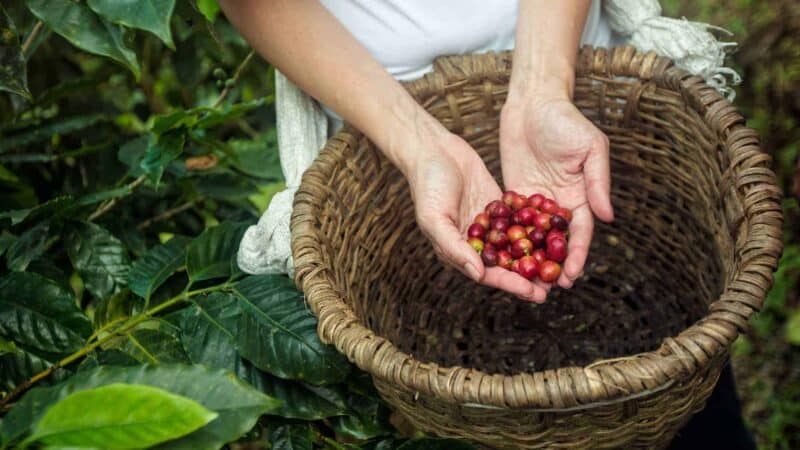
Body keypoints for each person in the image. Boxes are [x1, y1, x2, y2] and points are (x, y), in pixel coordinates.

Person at [219, 1, 755, 448]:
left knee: (679, 351)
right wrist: (416, 142)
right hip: (373, 104)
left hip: (568, 51)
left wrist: (543, 86)